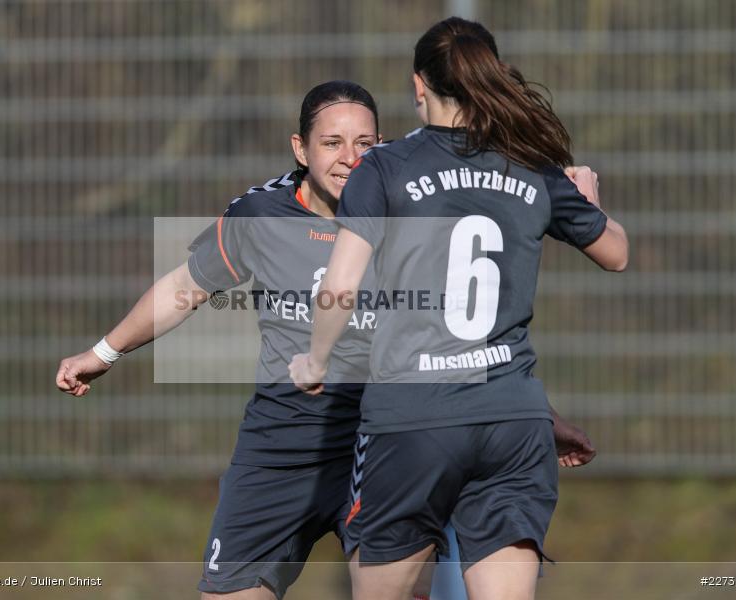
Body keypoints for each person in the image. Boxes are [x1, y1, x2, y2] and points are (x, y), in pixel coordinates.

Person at [56, 80, 596, 600]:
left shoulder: (414, 210)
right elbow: (184, 289)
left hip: (384, 443)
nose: (349, 158)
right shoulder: (263, 214)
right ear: (301, 148)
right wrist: (103, 352)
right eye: (332, 143)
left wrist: (540, 417)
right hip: (280, 447)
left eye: (365, 143)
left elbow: (476, 334)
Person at [289, 18, 627, 600]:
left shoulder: (385, 167)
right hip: (513, 422)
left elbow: (340, 288)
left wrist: (315, 360)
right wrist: (588, 202)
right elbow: (616, 253)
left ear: (418, 85)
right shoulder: (533, 165)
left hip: (413, 419)